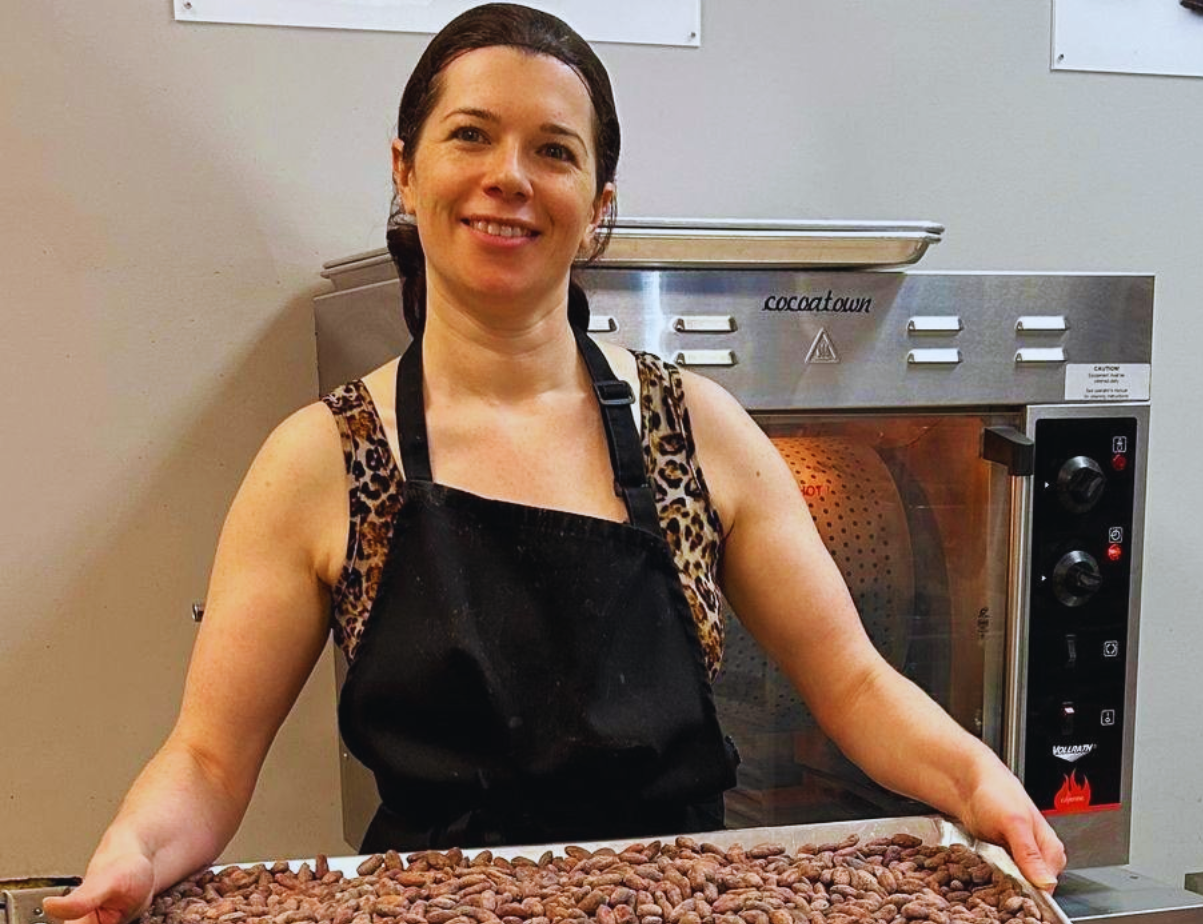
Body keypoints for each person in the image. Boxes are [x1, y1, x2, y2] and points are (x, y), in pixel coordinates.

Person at [45, 6, 1067, 923]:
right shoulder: (322, 460)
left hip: (682, 902)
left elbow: (851, 683)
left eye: (553, 151)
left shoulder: (691, 430)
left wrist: (981, 787)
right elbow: (210, 760)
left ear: (597, 203)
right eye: (471, 136)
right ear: (405, 169)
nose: (509, 179)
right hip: (431, 910)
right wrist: (131, 854)